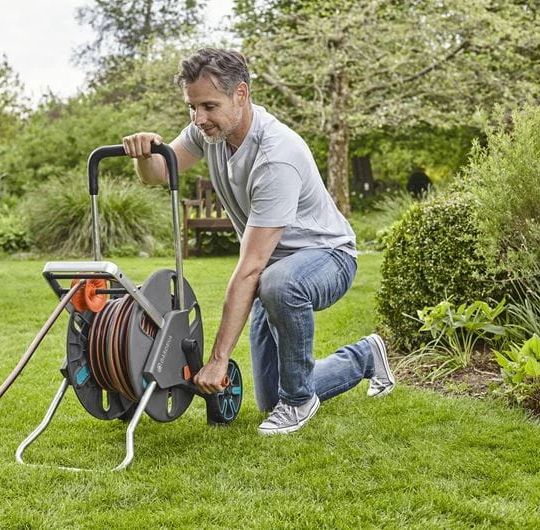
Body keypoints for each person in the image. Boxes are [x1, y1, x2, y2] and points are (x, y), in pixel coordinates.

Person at [122, 48, 395, 435]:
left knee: (279, 284)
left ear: (241, 94)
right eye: (192, 107)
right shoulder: (209, 132)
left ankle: (299, 403)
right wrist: (145, 153)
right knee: (270, 398)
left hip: (327, 257)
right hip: (273, 269)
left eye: (209, 106)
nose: (199, 118)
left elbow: (251, 268)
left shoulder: (275, 156)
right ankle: (365, 356)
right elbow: (160, 174)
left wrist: (218, 359)